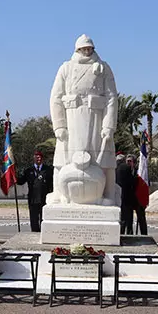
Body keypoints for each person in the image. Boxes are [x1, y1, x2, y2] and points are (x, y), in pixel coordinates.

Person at [48, 34, 118, 205]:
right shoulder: (66, 68)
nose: (87, 51)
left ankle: (108, 195)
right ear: (77, 49)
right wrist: (59, 126)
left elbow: (112, 98)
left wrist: (108, 126)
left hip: (97, 119)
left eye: (90, 48)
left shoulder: (103, 68)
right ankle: (59, 194)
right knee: (62, 158)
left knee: (105, 159)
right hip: (71, 121)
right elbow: (55, 98)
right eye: (84, 48)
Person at [17, 150, 54, 232]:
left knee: (44, 219)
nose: (39, 158)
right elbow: (20, 181)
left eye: (40, 157)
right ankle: (34, 234)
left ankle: (45, 234)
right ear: (33, 158)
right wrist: (13, 175)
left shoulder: (48, 170)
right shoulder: (28, 170)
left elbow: (52, 184)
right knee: (33, 219)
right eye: (37, 157)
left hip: (44, 199)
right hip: (33, 199)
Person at [116, 154, 136, 234]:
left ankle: (121, 232)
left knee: (122, 217)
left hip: (118, 196)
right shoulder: (126, 168)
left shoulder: (115, 169)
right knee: (128, 218)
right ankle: (129, 233)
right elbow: (131, 182)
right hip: (127, 196)